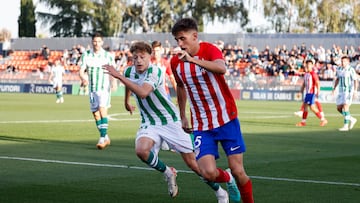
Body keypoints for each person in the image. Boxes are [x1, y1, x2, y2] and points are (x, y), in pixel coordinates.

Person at [103, 41, 229, 203]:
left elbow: (143, 93)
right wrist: (127, 101)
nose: (139, 60)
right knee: (141, 151)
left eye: (142, 57)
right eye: (135, 57)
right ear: (132, 59)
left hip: (171, 121)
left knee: (194, 165)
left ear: (150, 57)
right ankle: (168, 172)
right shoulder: (129, 71)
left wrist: (118, 76)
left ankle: (220, 192)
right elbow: (129, 82)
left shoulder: (155, 71)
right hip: (150, 121)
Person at [170, 18, 254, 203]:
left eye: (183, 39)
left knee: (239, 171)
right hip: (202, 124)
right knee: (208, 173)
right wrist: (183, 115)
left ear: (195, 36)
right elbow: (181, 87)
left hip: (226, 119)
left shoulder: (209, 50)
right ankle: (227, 178)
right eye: (177, 40)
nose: (180, 44)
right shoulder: (175, 62)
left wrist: (193, 60)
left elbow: (221, 68)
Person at [79, 32, 116, 150]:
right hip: (92, 88)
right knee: (95, 114)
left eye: (99, 41)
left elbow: (112, 70)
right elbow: (81, 70)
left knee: (102, 108)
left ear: (102, 42)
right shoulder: (86, 55)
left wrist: (114, 82)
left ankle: (102, 137)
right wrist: (83, 78)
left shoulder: (108, 56)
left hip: (104, 88)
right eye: (95, 41)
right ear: (92, 42)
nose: (97, 43)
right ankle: (106, 137)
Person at [296, 59, 328, 127]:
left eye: (309, 65)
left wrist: (318, 91)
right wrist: (300, 92)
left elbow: (317, 83)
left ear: (312, 66)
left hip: (311, 93)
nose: (307, 66)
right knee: (305, 107)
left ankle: (323, 119)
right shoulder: (306, 74)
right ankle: (303, 122)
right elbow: (304, 84)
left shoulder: (313, 74)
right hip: (307, 93)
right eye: (307, 65)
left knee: (312, 108)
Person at [332, 55, 358, 131]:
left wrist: (355, 91)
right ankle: (351, 119)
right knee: (339, 108)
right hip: (341, 91)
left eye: (344, 61)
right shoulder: (339, 69)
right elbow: (337, 79)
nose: (343, 63)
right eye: (342, 61)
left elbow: (355, 80)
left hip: (348, 91)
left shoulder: (351, 69)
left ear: (348, 62)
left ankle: (345, 126)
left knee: (346, 107)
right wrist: (334, 88)